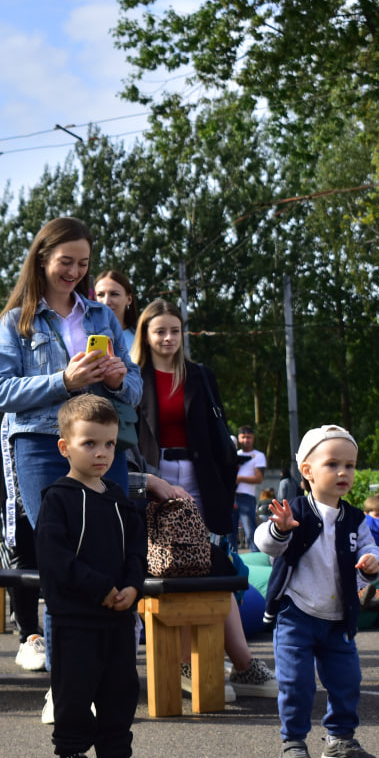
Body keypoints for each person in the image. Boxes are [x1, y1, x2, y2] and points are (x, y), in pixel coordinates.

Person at [0, 217, 140, 688]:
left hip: (99, 444)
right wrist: (63, 381)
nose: (74, 272)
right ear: (41, 260)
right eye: (65, 262)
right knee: (63, 558)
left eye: (83, 264)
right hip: (39, 446)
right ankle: (67, 684)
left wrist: (115, 378)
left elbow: (134, 390)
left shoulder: (102, 317)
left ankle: (108, 676)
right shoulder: (17, 321)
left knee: (106, 555)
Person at [131, 299, 276, 699]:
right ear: (145, 334)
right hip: (151, 476)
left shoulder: (199, 375)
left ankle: (240, 666)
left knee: (211, 564)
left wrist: (225, 480)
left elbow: (217, 430)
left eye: (175, 331)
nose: (168, 338)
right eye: (159, 331)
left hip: (199, 478)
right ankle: (185, 664)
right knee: (170, 567)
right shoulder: (131, 377)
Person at [36, 395, 148, 758]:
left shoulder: (120, 497)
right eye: (90, 443)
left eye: (110, 444)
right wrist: (99, 588)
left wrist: (134, 587)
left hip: (118, 619)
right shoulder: (57, 498)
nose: (101, 453)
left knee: (121, 690)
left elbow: (137, 551)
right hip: (74, 620)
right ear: (65, 447)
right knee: (74, 691)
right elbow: (54, 558)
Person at [255, 425, 379, 758]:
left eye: (350, 465)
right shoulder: (294, 510)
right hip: (297, 612)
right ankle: (293, 744)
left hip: (339, 615)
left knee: (347, 680)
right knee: (296, 682)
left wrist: (374, 564)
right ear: (307, 471)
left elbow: (371, 549)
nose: (343, 472)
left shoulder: (355, 518)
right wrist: (279, 528)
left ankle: (340, 740)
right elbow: (266, 542)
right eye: (333, 464)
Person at [233, 425, 265, 551]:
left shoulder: (258, 456)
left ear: (253, 438)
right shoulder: (234, 454)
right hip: (231, 498)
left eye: (249, 437)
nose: (246, 440)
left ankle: (256, 559)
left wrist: (239, 478)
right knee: (230, 533)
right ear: (238, 439)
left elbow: (259, 478)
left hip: (247, 498)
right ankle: (231, 562)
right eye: (243, 437)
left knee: (251, 532)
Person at [93, 269, 139, 348]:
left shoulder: (141, 339)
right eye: (100, 295)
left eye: (114, 294)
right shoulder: (81, 337)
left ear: (129, 299)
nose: (106, 302)